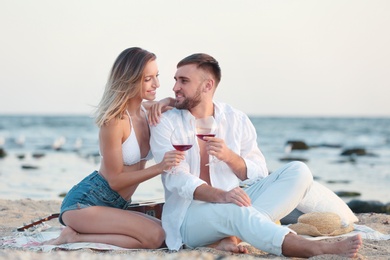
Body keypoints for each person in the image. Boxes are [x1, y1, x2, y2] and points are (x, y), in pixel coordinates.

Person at [149, 53, 362, 257]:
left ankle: (232, 234)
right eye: (175, 80)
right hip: (189, 217)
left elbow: (259, 173)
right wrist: (223, 196)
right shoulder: (166, 121)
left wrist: (230, 157)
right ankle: (313, 249)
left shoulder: (236, 119)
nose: (175, 87)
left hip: (232, 201)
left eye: (183, 81)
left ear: (207, 85)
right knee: (235, 211)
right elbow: (176, 178)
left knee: (299, 171)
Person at [46, 47, 184, 249]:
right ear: (130, 79)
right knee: (155, 236)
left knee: (168, 234)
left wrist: (165, 101)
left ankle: (79, 235)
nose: (157, 84)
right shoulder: (114, 121)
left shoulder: (147, 111)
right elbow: (115, 180)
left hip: (117, 205)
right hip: (85, 204)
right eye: (148, 79)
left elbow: (180, 105)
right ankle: (73, 238)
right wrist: (159, 167)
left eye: (157, 76)